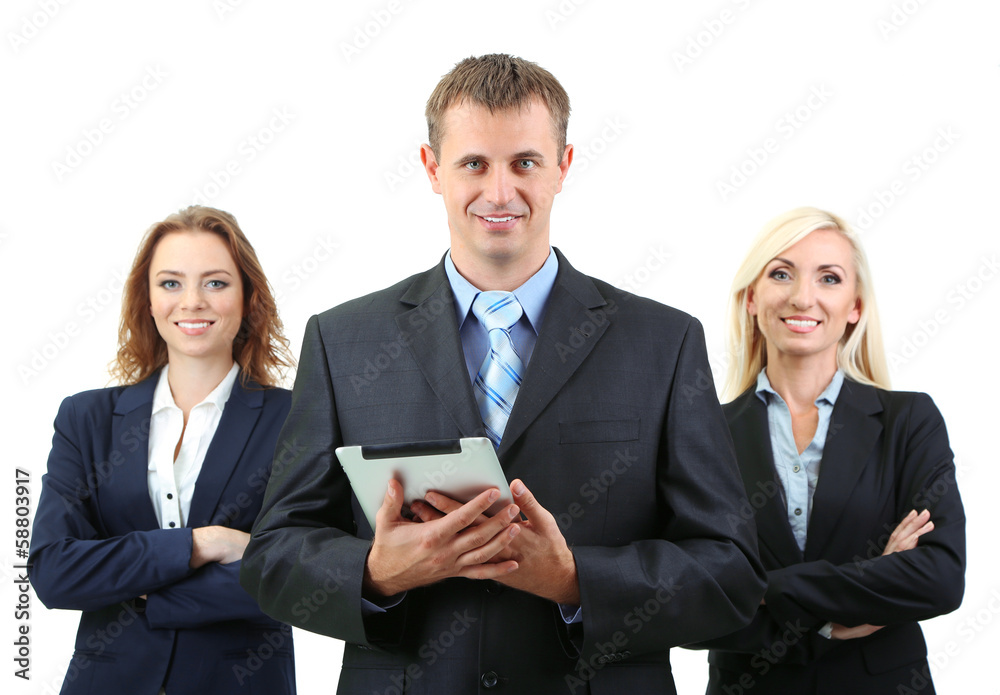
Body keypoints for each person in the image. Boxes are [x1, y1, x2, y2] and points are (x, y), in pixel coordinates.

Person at [240, 54, 765, 695]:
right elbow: (272, 558)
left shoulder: (664, 341)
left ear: (563, 167)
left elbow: (732, 575)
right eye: (473, 164)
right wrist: (375, 572)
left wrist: (574, 581)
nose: (498, 192)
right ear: (433, 169)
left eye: (524, 163)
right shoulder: (344, 340)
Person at [29, 206, 297, 695]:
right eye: (171, 283)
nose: (191, 302)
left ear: (247, 297)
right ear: (148, 300)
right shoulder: (85, 419)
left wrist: (132, 585)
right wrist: (201, 546)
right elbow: (53, 570)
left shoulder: (296, 419)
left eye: (215, 283)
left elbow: (302, 576)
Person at [697, 207, 965, 694]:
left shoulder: (909, 422)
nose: (804, 297)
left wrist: (760, 591)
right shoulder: (702, 431)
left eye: (829, 278)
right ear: (753, 298)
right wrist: (861, 596)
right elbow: (685, 602)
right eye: (781, 274)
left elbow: (940, 577)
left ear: (855, 306)